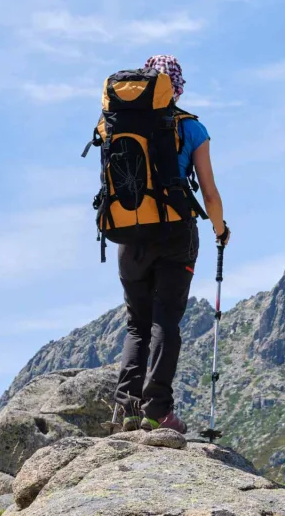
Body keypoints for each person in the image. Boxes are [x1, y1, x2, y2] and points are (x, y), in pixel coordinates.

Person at [113, 54, 231, 434]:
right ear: (175, 89)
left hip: (129, 233)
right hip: (175, 233)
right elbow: (209, 193)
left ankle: (126, 411)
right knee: (165, 320)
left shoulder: (116, 121)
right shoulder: (191, 127)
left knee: (136, 325)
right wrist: (219, 229)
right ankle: (157, 411)